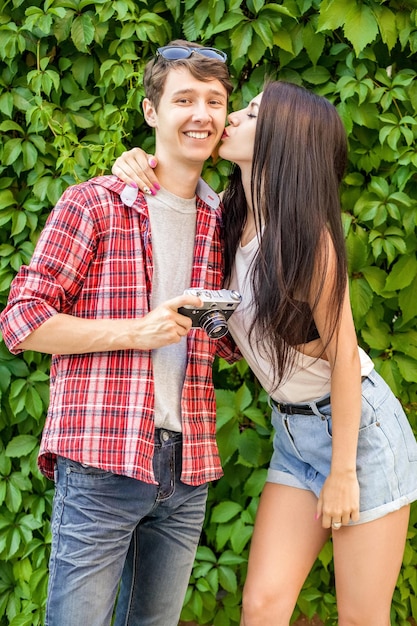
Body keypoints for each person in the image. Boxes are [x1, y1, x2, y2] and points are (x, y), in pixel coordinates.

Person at [112, 80, 417, 626]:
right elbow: (168, 178)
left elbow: (345, 358)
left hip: (357, 435)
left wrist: (343, 470)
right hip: (292, 435)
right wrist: (134, 160)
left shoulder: (309, 242)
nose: (231, 118)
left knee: (362, 618)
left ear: (282, 139)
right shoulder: (228, 213)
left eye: (251, 114)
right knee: (262, 606)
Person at [0, 40, 241, 626]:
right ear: (151, 111)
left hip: (188, 470)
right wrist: (137, 331)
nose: (201, 114)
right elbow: (21, 320)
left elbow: (233, 343)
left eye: (214, 100)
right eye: (184, 98)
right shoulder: (96, 204)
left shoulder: (226, 222)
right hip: (102, 460)